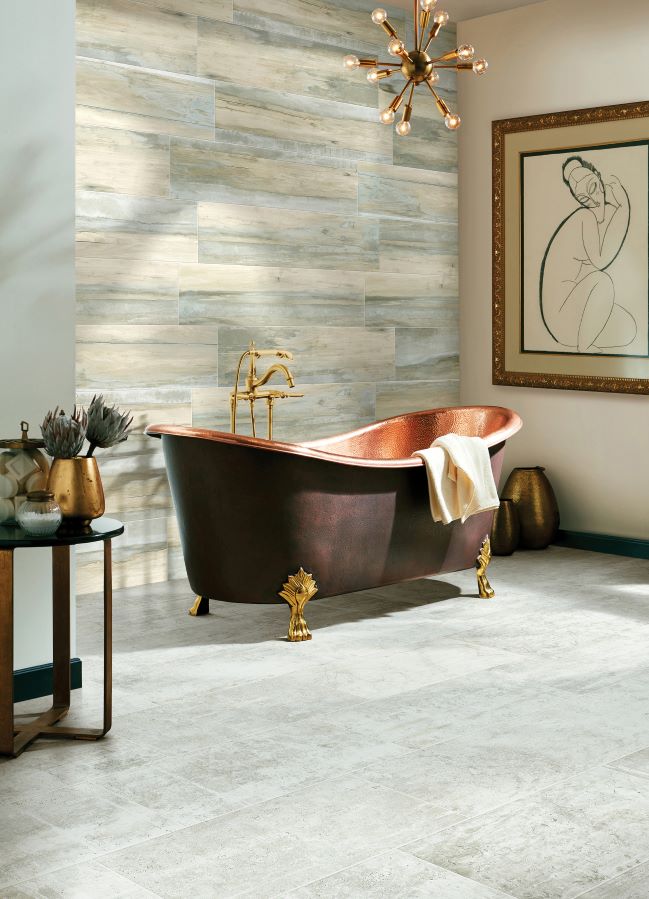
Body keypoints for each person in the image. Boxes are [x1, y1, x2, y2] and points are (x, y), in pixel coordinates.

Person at [539, 155, 636, 353]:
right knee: (603, 281)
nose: (592, 200)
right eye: (583, 198)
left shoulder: (604, 214)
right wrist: (624, 207)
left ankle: (585, 340)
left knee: (629, 328)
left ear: (598, 177)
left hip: (578, 309)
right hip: (562, 315)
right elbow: (601, 261)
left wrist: (618, 210)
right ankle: (584, 347)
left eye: (592, 188)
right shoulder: (584, 217)